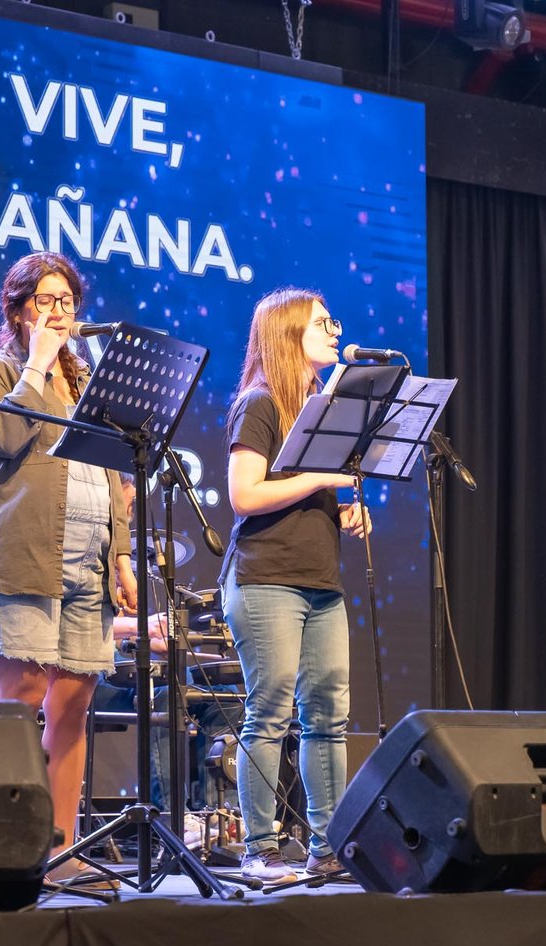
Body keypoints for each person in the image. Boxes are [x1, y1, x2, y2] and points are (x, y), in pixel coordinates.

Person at [0, 252, 136, 882]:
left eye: (67, 301)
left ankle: (61, 853)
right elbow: (6, 438)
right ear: (18, 310)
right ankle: (10, 848)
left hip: (90, 562)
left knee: (71, 710)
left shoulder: (88, 379)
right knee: (23, 703)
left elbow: (113, 474)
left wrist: (122, 555)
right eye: (45, 300)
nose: (59, 312)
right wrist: (36, 363)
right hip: (25, 556)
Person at [220, 287, 369, 885]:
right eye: (323, 324)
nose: (335, 332)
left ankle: (327, 848)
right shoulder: (260, 403)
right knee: (269, 713)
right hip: (265, 577)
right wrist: (318, 480)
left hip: (320, 580)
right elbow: (244, 495)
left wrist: (346, 509)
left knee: (329, 716)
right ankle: (260, 849)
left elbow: (312, 491)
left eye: (334, 322)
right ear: (288, 335)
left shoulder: (321, 407)